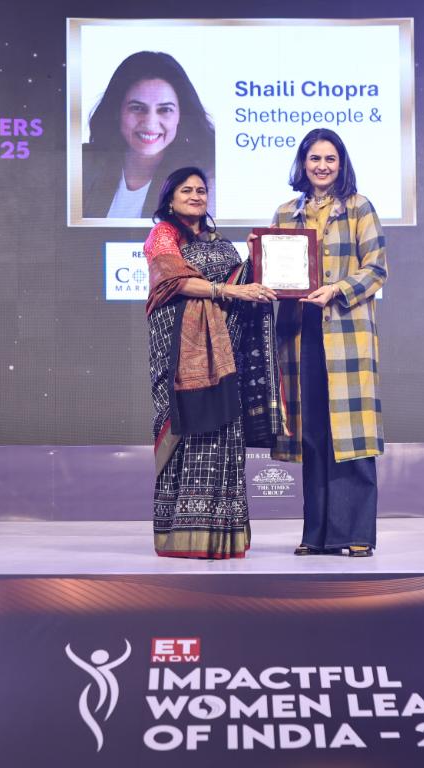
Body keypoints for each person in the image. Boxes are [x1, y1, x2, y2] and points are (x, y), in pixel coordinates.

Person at [265, 128, 387, 557]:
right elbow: (273, 273)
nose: (322, 166)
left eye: (330, 159)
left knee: (351, 435)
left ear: (341, 163)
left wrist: (336, 289)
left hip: (346, 336)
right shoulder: (286, 213)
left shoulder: (359, 207)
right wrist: (259, 258)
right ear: (303, 163)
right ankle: (315, 535)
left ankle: (355, 535)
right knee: (313, 434)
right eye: (314, 158)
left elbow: (377, 269)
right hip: (300, 335)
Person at [145, 166, 277, 559]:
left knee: (224, 430)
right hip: (179, 351)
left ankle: (221, 534)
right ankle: (180, 534)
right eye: (186, 190)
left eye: (201, 190)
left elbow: (243, 287)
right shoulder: (163, 235)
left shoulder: (220, 243)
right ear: (170, 199)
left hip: (225, 351)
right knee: (189, 427)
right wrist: (227, 290)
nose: (195, 196)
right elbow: (174, 282)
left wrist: (256, 255)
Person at [83, 52, 215, 219]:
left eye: (165, 110)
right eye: (137, 108)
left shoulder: (207, 180)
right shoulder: (81, 165)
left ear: (181, 116)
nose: (150, 123)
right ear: (117, 111)